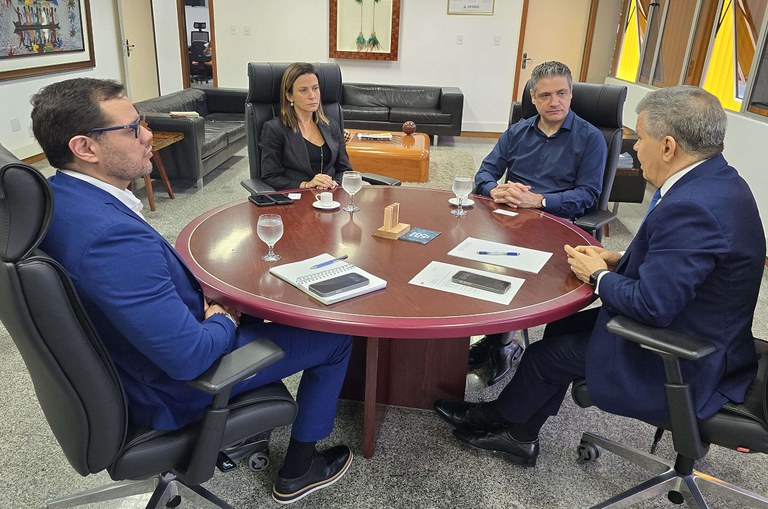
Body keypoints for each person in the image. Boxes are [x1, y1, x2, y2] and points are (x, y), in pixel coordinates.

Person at [31, 78, 353, 505]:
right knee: (336, 337)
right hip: (173, 387)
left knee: (259, 300)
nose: (148, 136)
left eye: (141, 122)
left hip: (133, 356)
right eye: (132, 129)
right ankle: (299, 469)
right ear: (84, 148)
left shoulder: (60, 198)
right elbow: (190, 358)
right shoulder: (107, 238)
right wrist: (223, 316)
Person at [435, 85, 765, 467]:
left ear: (669, 147)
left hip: (687, 354)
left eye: (640, 138)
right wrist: (617, 258)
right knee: (561, 328)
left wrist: (598, 277)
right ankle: (516, 429)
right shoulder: (720, 182)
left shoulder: (693, 206)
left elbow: (653, 306)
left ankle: (511, 428)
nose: (633, 149)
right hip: (703, 325)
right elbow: (689, 264)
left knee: (547, 356)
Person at [471, 60, 608, 385]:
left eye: (561, 93)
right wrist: (497, 189)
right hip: (506, 221)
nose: (554, 101)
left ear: (571, 94)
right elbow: (484, 174)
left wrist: (541, 200)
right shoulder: (517, 132)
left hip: (556, 227)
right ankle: (493, 339)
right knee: (467, 261)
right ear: (533, 98)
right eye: (545, 95)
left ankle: (503, 345)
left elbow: (588, 195)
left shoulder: (590, 139)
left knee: (513, 273)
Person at [260, 62, 352, 191]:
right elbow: (270, 176)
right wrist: (306, 185)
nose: (312, 96)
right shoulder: (275, 129)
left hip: (331, 196)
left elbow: (345, 170)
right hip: (297, 198)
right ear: (289, 95)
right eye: (303, 90)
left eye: (315, 88)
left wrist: (334, 182)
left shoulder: (332, 126)